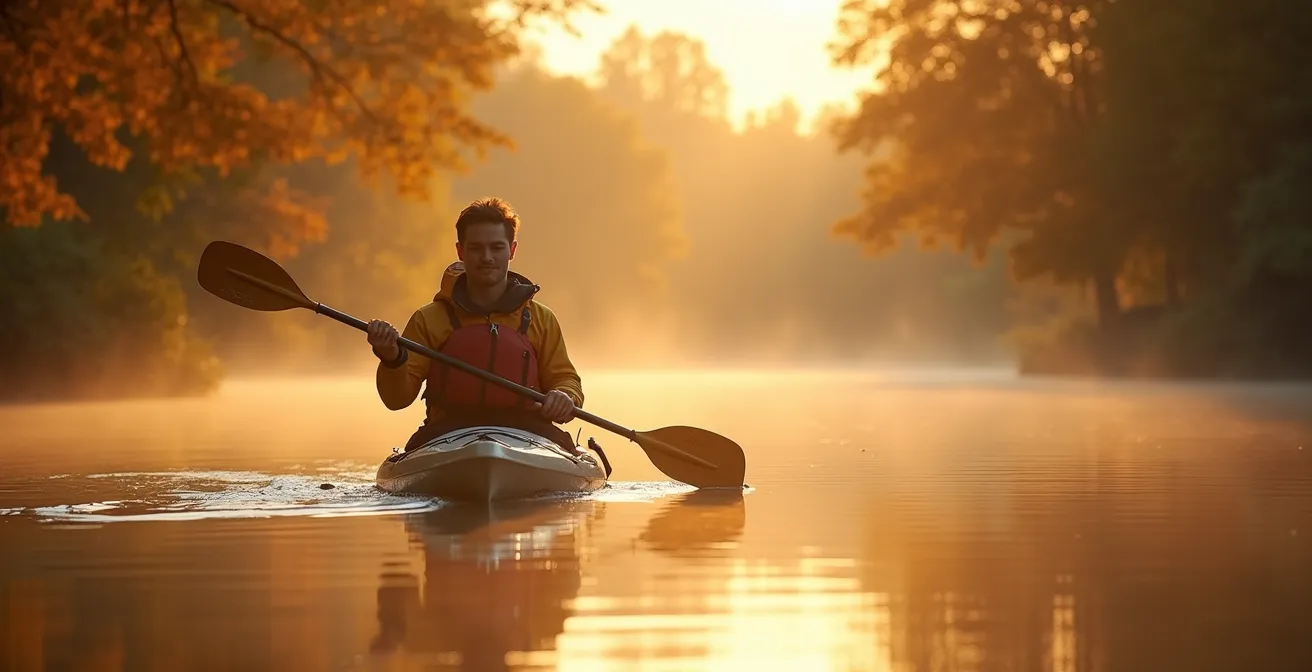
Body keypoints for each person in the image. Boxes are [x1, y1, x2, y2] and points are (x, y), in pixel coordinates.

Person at [365, 197, 584, 453]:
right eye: (476, 248)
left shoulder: (541, 319)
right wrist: (391, 358)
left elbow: (565, 379)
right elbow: (396, 400)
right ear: (460, 251)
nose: (487, 257)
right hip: (447, 431)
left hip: (528, 431)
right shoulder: (430, 319)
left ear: (512, 250)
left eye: (496, 247)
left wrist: (564, 396)